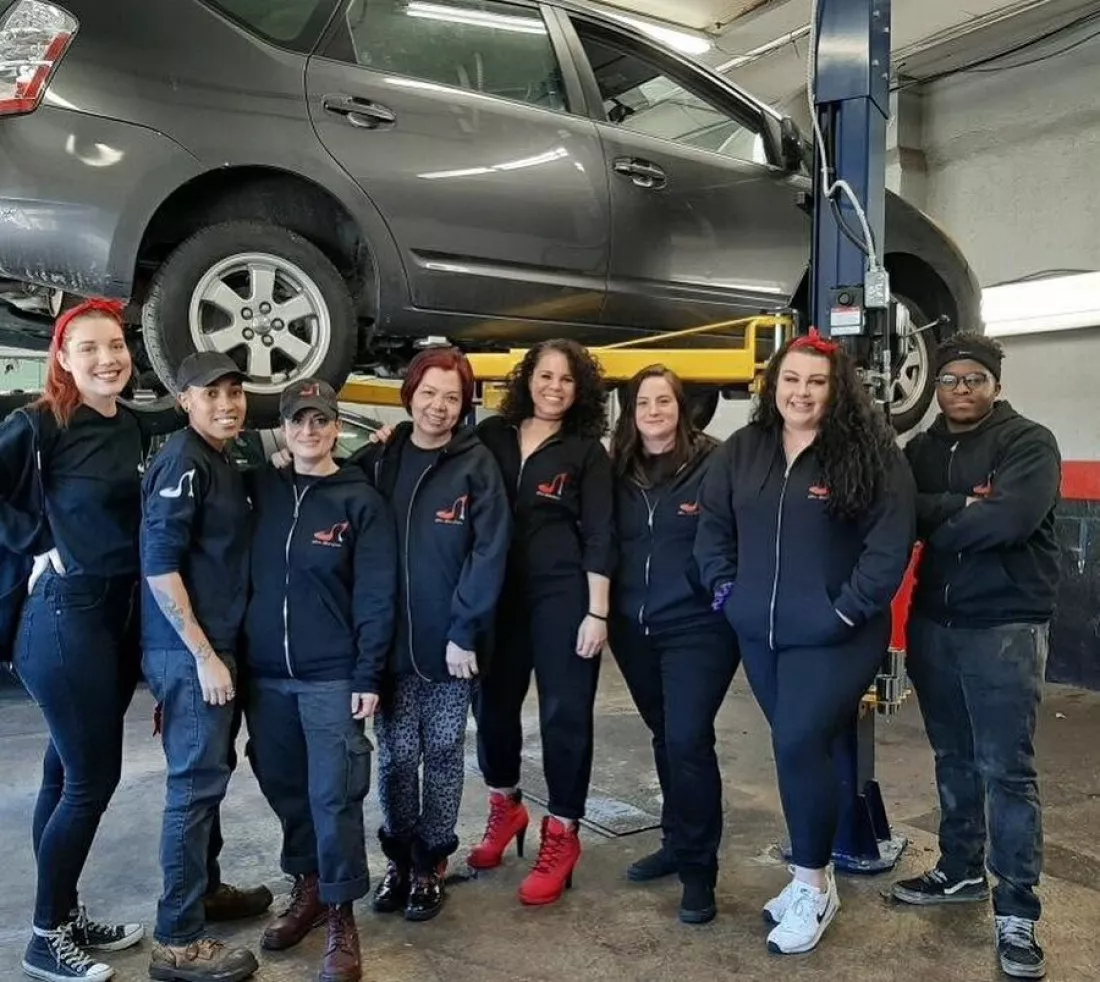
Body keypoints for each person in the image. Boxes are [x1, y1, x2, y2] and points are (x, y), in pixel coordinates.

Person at [694, 330, 915, 955]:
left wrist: (845, 612)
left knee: (796, 744)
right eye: (791, 379)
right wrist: (725, 594)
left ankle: (813, 884)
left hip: (836, 635)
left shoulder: (870, 453)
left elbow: (888, 545)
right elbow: (713, 528)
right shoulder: (743, 449)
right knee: (799, 748)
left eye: (816, 381)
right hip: (760, 633)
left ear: (835, 389)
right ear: (773, 385)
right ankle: (811, 874)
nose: (802, 392)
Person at [892, 333, 1059, 981]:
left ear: (995, 384)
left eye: (974, 379)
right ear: (934, 387)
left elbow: (1010, 520)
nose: (961, 390)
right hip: (937, 623)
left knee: (1005, 770)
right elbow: (901, 513)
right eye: (950, 380)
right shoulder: (922, 450)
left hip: (1005, 625)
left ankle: (1018, 909)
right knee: (953, 757)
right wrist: (962, 504)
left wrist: (941, 518)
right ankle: (960, 869)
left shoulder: (1028, 442)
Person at [2, 299, 146, 982]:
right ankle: (42, 938)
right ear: (62, 357)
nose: (105, 359)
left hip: (116, 617)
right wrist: (38, 542)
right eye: (87, 348)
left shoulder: (129, 426)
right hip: (65, 618)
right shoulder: (39, 424)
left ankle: (63, 912)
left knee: (64, 774)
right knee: (92, 778)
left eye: (114, 345)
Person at [349, 347, 511, 921]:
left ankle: (430, 865)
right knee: (395, 758)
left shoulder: (476, 465)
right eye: (428, 393)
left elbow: (489, 552)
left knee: (442, 754)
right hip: (389, 644)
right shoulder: (382, 458)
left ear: (464, 402)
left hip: (453, 648)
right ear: (410, 394)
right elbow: (331, 486)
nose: (439, 407)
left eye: (451, 396)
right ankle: (397, 860)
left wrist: (465, 631)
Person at [243, 378, 397, 982]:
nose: (309, 430)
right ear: (283, 428)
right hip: (266, 678)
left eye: (321, 420)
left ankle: (341, 916)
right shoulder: (262, 490)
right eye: (299, 420)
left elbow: (377, 595)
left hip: (332, 677)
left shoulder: (360, 501)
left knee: (335, 798)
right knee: (285, 789)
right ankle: (306, 889)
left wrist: (368, 671)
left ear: (336, 426)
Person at [469, 338, 613, 906]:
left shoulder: (586, 451)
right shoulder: (490, 437)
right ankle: (505, 808)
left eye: (566, 380)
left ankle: (564, 832)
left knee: (564, 713)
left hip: (563, 598)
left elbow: (602, 532)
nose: (553, 387)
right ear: (527, 379)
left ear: (580, 391)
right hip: (497, 597)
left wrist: (596, 611)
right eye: (545, 375)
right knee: (493, 708)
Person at [140, 351, 261, 982]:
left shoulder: (220, 459)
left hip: (213, 649)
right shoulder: (182, 462)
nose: (226, 402)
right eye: (210, 393)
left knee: (210, 774)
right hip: (190, 655)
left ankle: (205, 892)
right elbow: (159, 566)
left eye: (234, 391)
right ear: (183, 399)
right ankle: (177, 940)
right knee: (192, 786)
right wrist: (205, 656)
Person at [608, 365, 739, 925]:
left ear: (682, 409)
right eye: (643, 403)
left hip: (698, 628)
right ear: (631, 413)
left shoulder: (716, 462)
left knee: (688, 740)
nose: (654, 412)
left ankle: (698, 870)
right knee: (665, 736)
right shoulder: (617, 469)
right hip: (633, 628)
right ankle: (674, 839)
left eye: (664, 401)